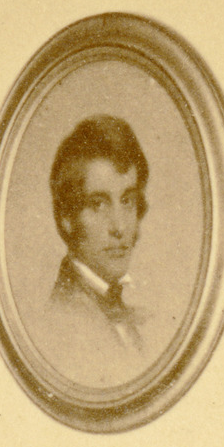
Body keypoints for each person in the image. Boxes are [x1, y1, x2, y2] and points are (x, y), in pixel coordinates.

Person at [36, 113, 151, 389]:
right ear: (67, 217)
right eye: (98, 204)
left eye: (127, 201)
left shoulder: (123, 313)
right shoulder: (61, 325)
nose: (119, 226)